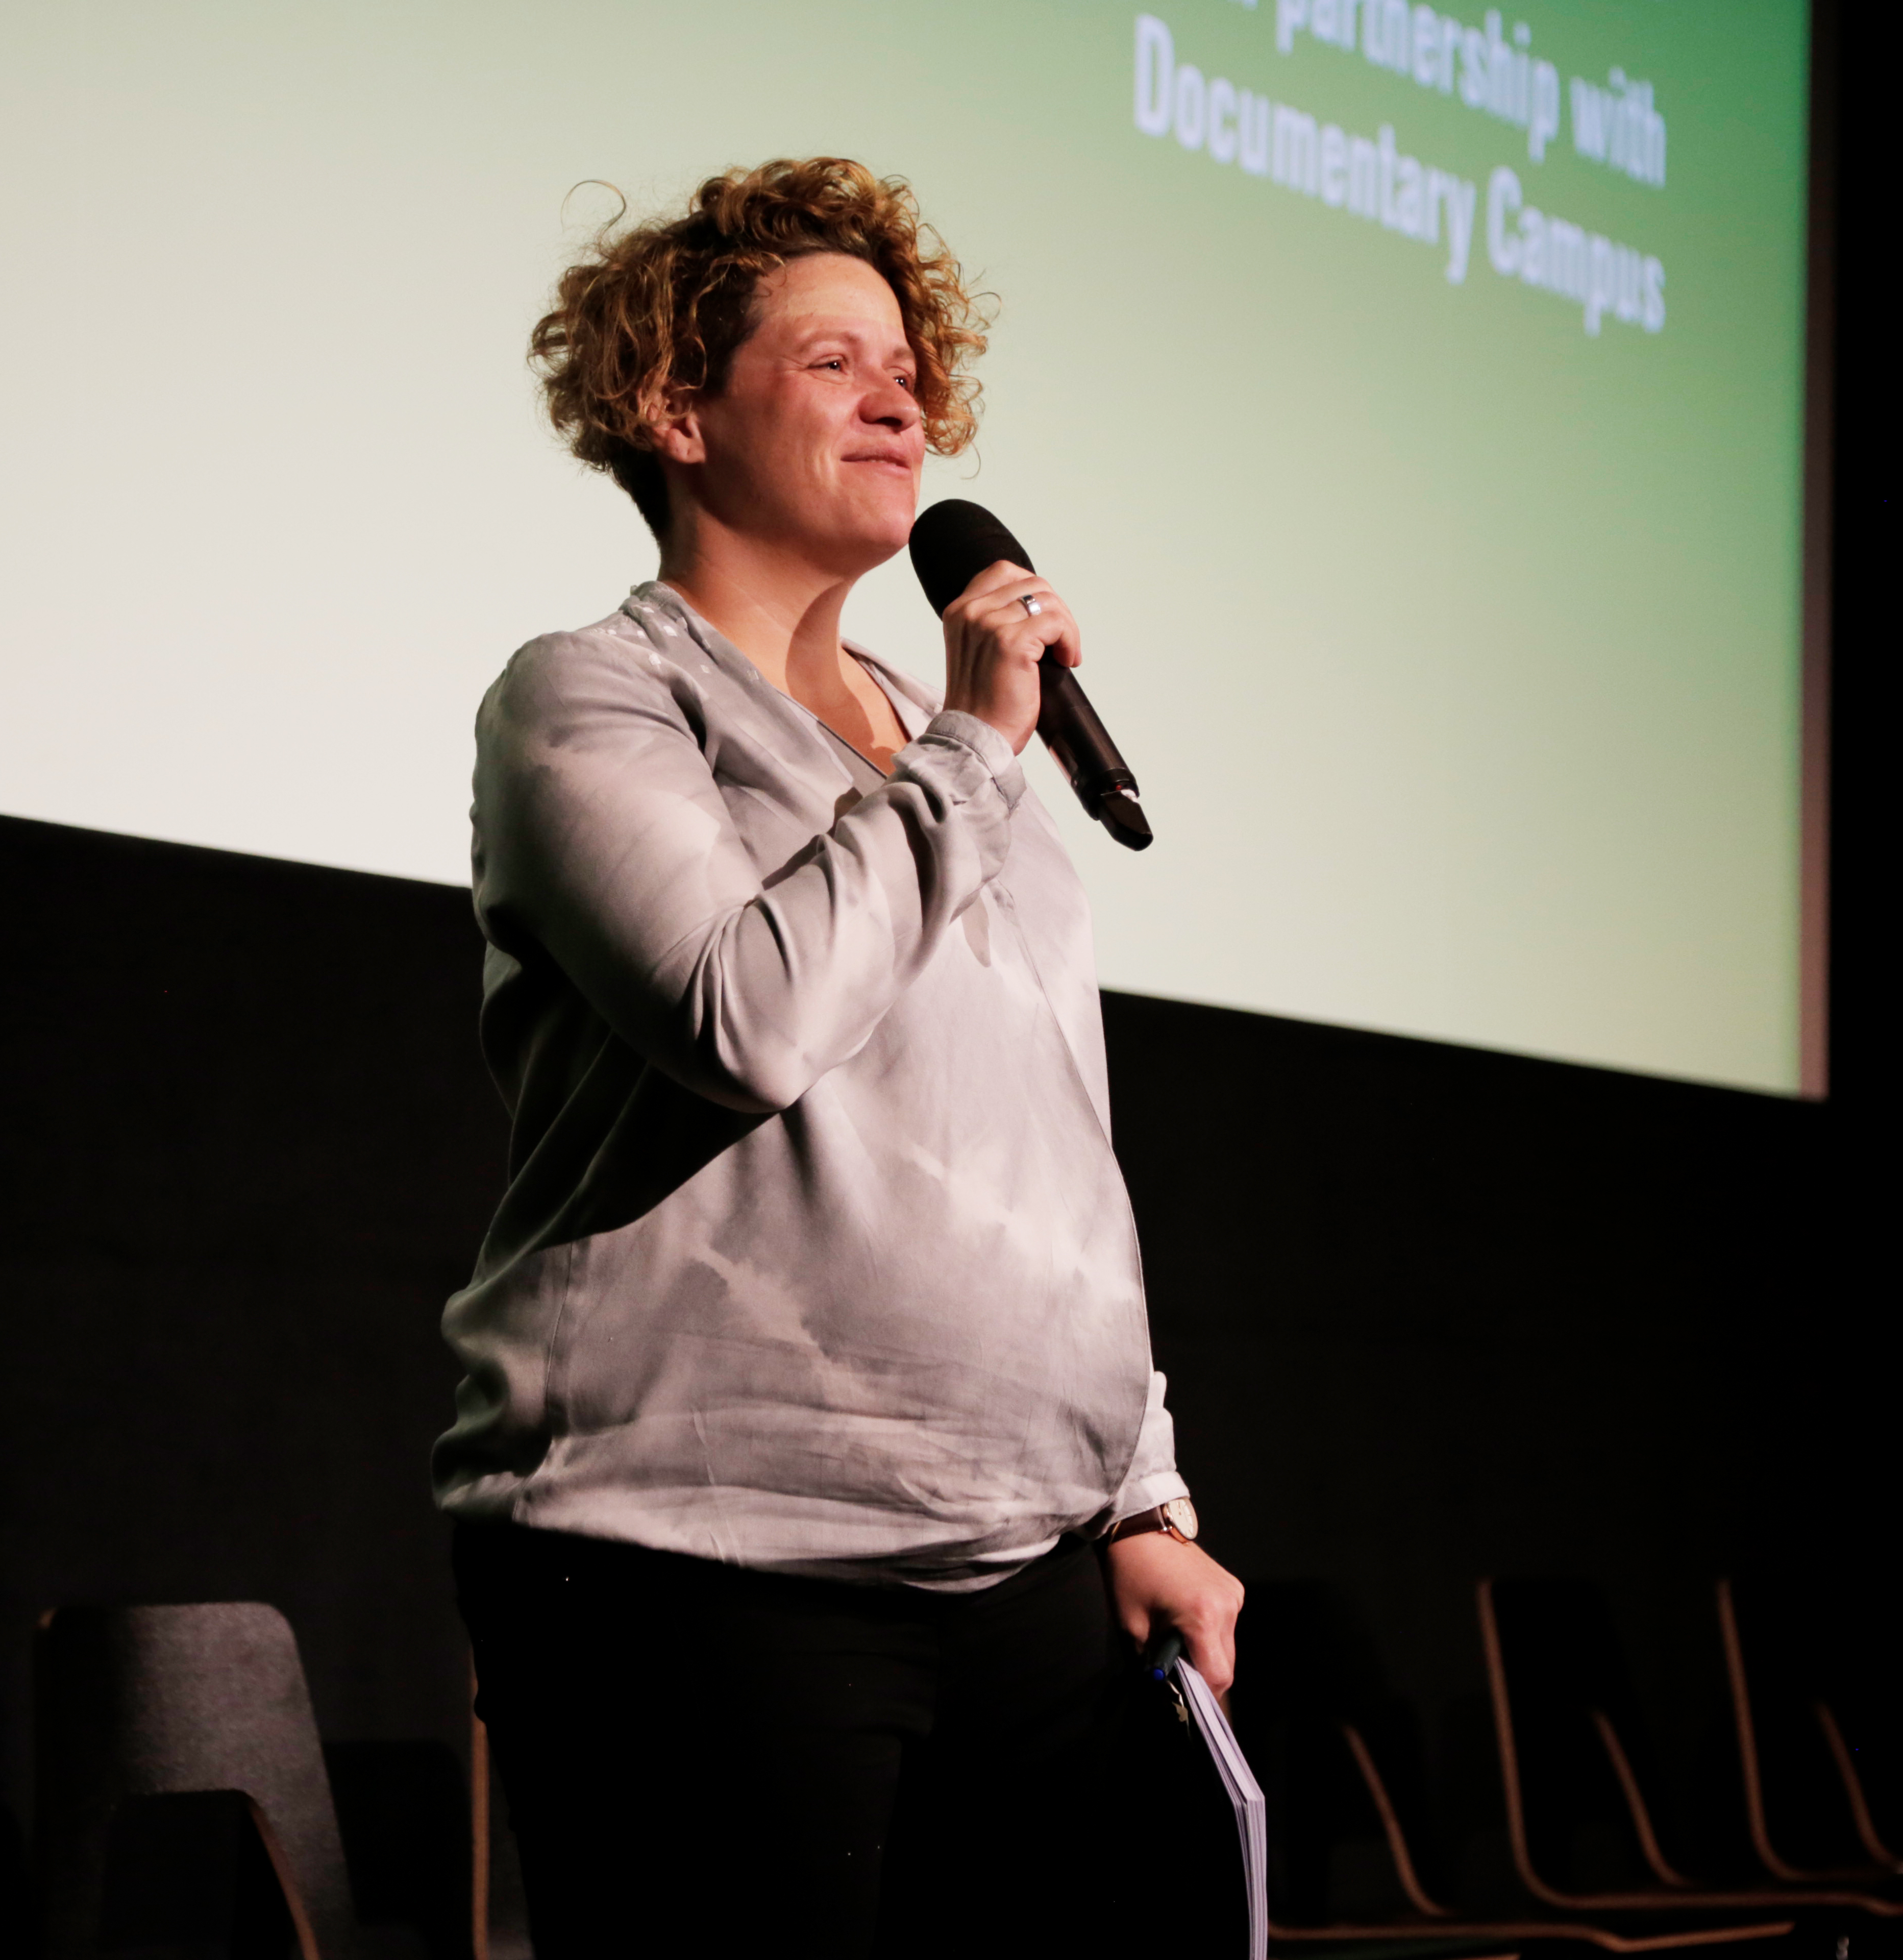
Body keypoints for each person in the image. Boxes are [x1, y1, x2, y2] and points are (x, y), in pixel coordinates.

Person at [436, 158, 1243, 1959]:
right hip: (699, 1564)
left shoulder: (955, 743)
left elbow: (1054, 1154)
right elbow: (744, 1015)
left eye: (908, 370)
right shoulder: (594, 697)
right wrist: (969, 754)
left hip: (1019, 1569)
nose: (901, 404)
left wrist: (1141, 1493)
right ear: (675, 409)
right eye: (831, 364)